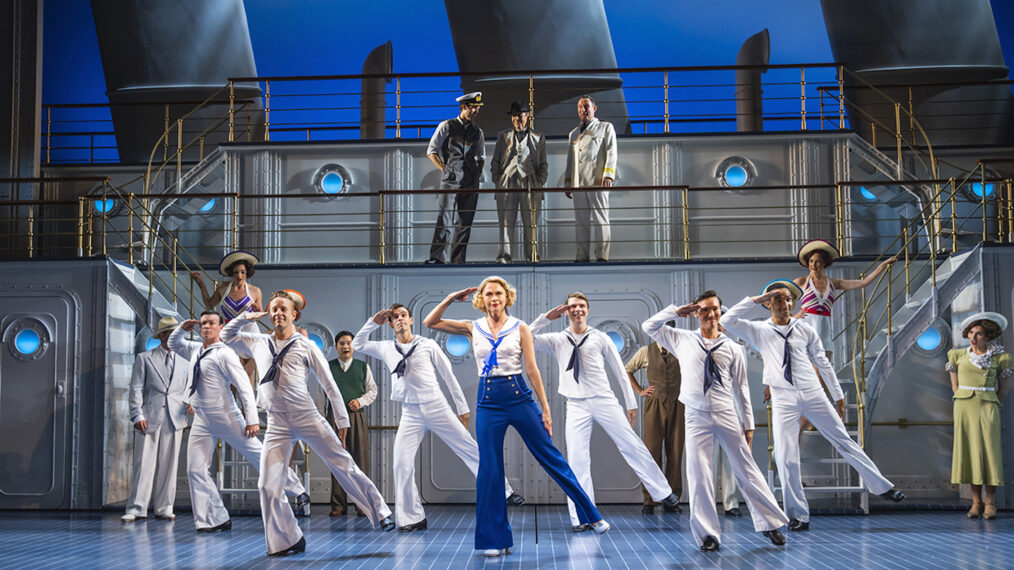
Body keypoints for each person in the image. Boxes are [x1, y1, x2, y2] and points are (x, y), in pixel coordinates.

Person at [423, 276, 610, 557]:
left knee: (551, 456)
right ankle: (494, 540)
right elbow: (430, 323)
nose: (494, 298)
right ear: (481, 299)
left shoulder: (520, 327)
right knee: (489, 470)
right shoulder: (472, 327)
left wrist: (545, 408)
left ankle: (591, 515)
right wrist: (451, 298)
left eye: (498, 293)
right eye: (488, 294)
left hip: (519, 397)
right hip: (487, 402)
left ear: (506, 297)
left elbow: (532, 370)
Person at [720, 280, 905, 531]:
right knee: (786, 457)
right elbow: (727, 320)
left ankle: (883, 487)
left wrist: (838, 396)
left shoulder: (805, 329)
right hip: (783, 398)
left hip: (813, 394)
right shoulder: (758, 331)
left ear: (793, 303)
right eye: (776, 299)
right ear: (768, 304)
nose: (783, 304)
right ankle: (798, 515)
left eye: (787, 299)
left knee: (843, 440)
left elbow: (823, 362)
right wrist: (756, 298)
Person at [222, 291, 395, 556]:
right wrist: (247, 316)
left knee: (342, 463)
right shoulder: (257, 341)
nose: (278, 313)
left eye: (284, 309)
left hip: (307, 417)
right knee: (267, 485)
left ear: (294, 315)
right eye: (274, 309)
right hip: (278, 423)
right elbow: (225, 336)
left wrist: (341, 420)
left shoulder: (306, 346)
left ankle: (381, 512)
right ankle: (288, 539)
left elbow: (329, 384)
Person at [352, 304, 523, 532]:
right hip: (410, 413)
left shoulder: (427, 344)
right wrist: (374, 321)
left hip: (436, 407)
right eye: (395, 317)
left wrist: (462, 407)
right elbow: (357, 344)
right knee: (401, 463)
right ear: (390, 323)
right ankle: (412, 518)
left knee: (468, 448)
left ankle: (504, 492)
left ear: (411, 320)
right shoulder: (385, 347)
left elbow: (448, 375)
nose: (400, 319)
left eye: (404, 315)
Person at [643, 291, 788, 551]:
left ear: (720, 312)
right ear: (697, 313)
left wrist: (749, 424)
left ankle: (770, 523)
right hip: (696, 415)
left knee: (746, 469)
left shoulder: (733, 348)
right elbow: (649, 326)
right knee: (699, 474)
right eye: (705, 310)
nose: (710, 314)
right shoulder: (682, 339)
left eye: (715, 310)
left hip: (726, 413)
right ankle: (707, 534)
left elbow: (742, 388)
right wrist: (676, 311)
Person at [529, 293, 680, 530]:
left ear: (587, 310)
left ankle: (663, 492)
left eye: (581, 306)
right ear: (566, 311)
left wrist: (631, 403)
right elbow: (524, 337)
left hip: (604, 400)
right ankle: (581, 516)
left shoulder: (600, 338)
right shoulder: (557, 339)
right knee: (577, 460)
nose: (577, 310)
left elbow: (620, 371)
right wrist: (544, 318)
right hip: (576, 404)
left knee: (631, 444)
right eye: (572, 306)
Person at [169, 311, 309, 532]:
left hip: (226, 416)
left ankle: (297, 489)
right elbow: (173, 344)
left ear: (219, 327)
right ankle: (214, 518)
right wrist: (181, 329)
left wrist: (251, 420)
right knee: (195, 470)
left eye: (211, 323)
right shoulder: (195, 349)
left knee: (259, 455)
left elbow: (244, 386)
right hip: (202, 419)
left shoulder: (225, 354)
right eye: (203, 323)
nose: (206, 327)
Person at [122, 316, 190, 523]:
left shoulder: (186, 362)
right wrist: (137, 414)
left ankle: (164, 507)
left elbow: (188, 390)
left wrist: (191, 403)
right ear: (162, 336)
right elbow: (135, 389)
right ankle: (136, 508)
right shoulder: (145, 358)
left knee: (170, 465)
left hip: (175, 417)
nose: (175, 338)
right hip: (149, 417)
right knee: (144, 464)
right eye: (171, 334)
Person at [947, 312, 1011, 520]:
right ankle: (976, 502)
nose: (974, 338)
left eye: (980, 334)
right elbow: (954, 382)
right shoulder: (957, 355)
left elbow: (1005, 386)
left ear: (989, 336)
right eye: (971, 333)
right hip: (964, 406)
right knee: (970, 451)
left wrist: (993, 399)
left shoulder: (1000, 357)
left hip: (987, 406)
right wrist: (958, 393)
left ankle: (991, 501)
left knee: (990, 452)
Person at [792, 239, 897, 357]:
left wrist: (882, 265)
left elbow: (864, 282)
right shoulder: (802, 281)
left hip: (824, 326)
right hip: (806, 325)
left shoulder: (833, 283)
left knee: (823, 369)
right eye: (811, 261)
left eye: (818, 262)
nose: (813, 265)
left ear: (824, 263)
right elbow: (780, 297)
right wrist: (793, 316)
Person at [625, 324, 685, 515]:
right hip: (654, 405)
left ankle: (673, 499)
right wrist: (641, 391)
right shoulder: (645, 352)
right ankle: (649, 499)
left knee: (675, 453)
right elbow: (627, 371)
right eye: (661, 330)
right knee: (651, 452)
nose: (664, 334)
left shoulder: (682, 351)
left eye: (668, 330)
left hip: (678, 404)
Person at [426, 92, 486, 264]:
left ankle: (458, 259)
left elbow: (481, 157)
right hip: (450, 180)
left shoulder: (478, 132)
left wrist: (476, 173)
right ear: (463, 107)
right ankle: (437, 258)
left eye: (478, 108)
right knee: (444, 218)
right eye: (473, 108)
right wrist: (445, 169)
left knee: (465, 222)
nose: (476, 111)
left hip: (470, 181)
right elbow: (432, 151)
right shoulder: (446, 126)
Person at [191, 250, 264, 386]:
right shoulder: (223, 288)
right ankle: (234, 406)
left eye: (242, 272)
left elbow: (259, 315)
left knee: (249, 372)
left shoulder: (255, 291)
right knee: (232, 373)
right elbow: (209, 304)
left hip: (250, 332)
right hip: (231, 334)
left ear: (247, 272)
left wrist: (257, 311)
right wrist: (202, 285)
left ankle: (247, 406)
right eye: (236, 272)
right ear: (231, 273)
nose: (239, 275)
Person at [325, 330, 378, 517]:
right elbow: (321, 394)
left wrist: (360, 401)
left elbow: (373, 390)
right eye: (342, 343)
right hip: (334, 418)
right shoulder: (327, 367)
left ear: (353, 346)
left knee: (360, 461)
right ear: (336, 346)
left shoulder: (363, 367)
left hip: (357, 417)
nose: (346, 346)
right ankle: (338, 505)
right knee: (337, 461)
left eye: (349, 343)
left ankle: (363, 504)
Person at [489, 101, 548, 263]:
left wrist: (539, 182)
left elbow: (543, 164)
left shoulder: (539, 137)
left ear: (527, 117)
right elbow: (495, 162)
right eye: (514, 117)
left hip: (530, 182)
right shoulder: (503, 136)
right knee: (506, 222)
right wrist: (499, 181)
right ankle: (504, 256)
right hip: (507, 182)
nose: (516, 120)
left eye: (520, 116)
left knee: (531, 223)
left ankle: (532, 255)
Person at [564, 95, 617, 262]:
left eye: (586, 106)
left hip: (597, 181)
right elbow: (570, 160)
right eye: (580, 107)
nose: (582, 110)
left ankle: (602, 256)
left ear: (594, 108)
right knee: (581, 222)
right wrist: (568, 182)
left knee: (601, 219)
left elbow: (611, 151)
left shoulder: (605, 127)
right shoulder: (573, 134)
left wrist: (608, 175)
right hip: (578, 183)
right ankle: (582, 256)